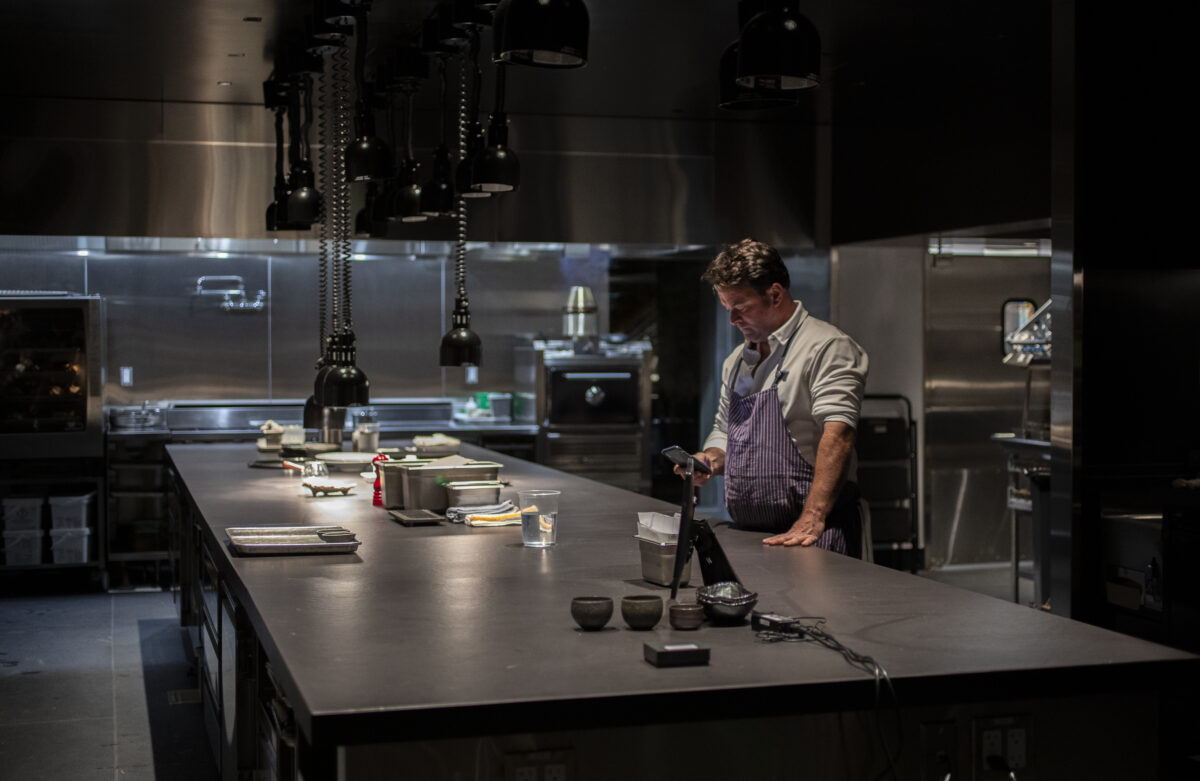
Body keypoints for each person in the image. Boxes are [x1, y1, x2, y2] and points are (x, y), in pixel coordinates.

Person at [679, 239, 869, 556]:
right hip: (751, 536)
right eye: (728, 310)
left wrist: (812, 518)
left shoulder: (827, 347)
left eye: (740, 309)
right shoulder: (737, 360)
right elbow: (726, 431)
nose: (733, 321)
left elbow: (838, 436)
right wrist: (709, 459)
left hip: (813, 534)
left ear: (775, 295)